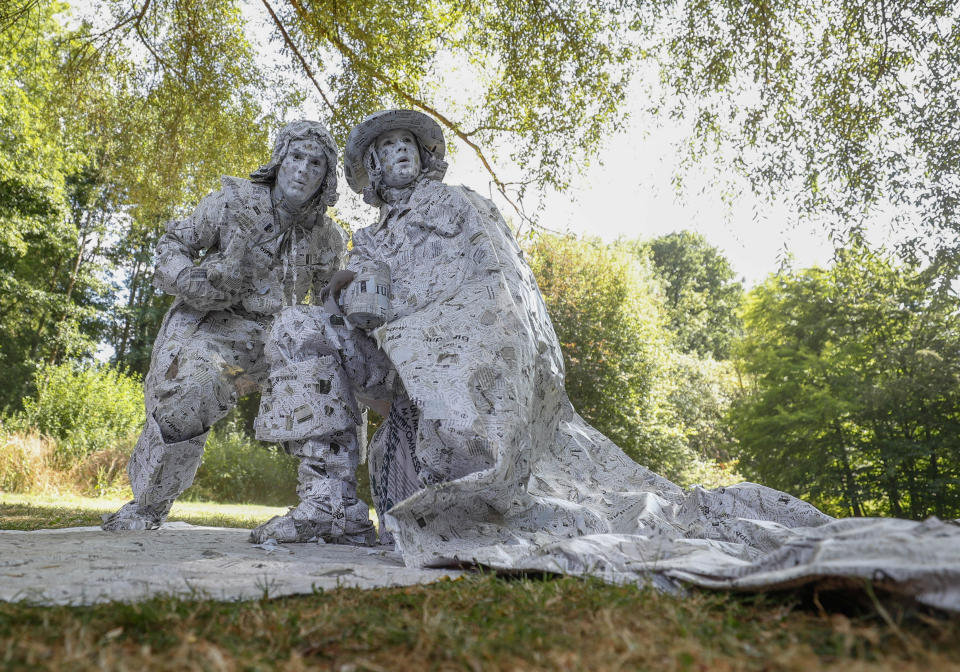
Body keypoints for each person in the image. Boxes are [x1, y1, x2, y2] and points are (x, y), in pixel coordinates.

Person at [254, 111, 960, 611]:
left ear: (423, 155)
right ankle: (329, 504)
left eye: (406, 142)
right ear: (372, 173)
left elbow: (502, 299)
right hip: (399, 373)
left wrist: (431, 331)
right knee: (298, 328)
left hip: (466, 376)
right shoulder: (371, 240)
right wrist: (358, 299)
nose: (396, 152)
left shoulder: (463, 208)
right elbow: (351, 294)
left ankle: (465, 475)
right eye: (382, 150)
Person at [101, 120, 374, 543]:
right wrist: (189, 280)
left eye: (315, 163)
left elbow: (326, 308)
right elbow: (173, 244)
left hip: (272, 337)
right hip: (212, 324)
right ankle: (149, 504)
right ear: (279, 161)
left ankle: (331, 505)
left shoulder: (327, 238)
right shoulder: (231, 201)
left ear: (326, 175)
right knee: (193, 388)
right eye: (296, 158)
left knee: (327, 369)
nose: (303, 169)